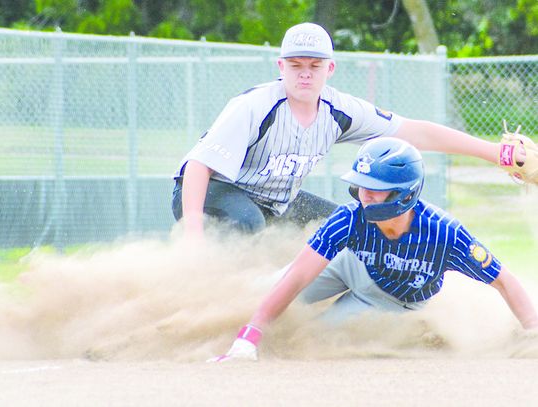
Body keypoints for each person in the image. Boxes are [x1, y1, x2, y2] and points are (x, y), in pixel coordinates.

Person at [172, 22, 526, 236]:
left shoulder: (339, 110)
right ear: (280, 66)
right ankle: (213, 298)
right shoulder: (253, 107)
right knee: (247, 223)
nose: (305, 73)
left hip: (275, 203)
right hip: (213, 194)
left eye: (315, 65)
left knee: (346, 229)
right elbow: (198, 167)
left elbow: (415, 132)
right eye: (295, 65)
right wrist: (192, 234)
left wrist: (494, 152)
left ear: (331, 69)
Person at [208, 137, 538, 362]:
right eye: (362, 185)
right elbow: (297, 278)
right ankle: (231, 339)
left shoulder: (444, 234)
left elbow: (504, 281)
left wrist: (533, 333)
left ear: (404, 194)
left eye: (376, 190)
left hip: (394, 300)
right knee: (262, 294)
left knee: (319, 337)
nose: (365, 195)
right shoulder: (350, 219)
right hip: (349, 265)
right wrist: (251, 335)